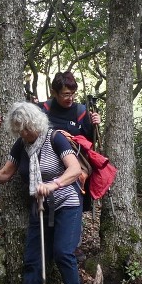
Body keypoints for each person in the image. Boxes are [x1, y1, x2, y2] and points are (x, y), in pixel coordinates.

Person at [0, 101, 85, 284]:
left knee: (63, 252)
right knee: (32, 259)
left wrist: (52, 185)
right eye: (20, 130)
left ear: (35, 123)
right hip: (40, 208)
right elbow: (5, 173)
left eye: (27, 128)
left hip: (66, 203)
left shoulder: (55, 138)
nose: (24, 133)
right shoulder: (21, 145)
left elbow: (75, 170)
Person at [41, 71, 101, 210]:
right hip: (46, 174)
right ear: (54, 93)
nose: (71, 98)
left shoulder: (81, 111)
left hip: (73, 176)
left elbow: (90, 142)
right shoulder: (44, 109)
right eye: (66, 94)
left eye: (73, 93)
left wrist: (95, 125)